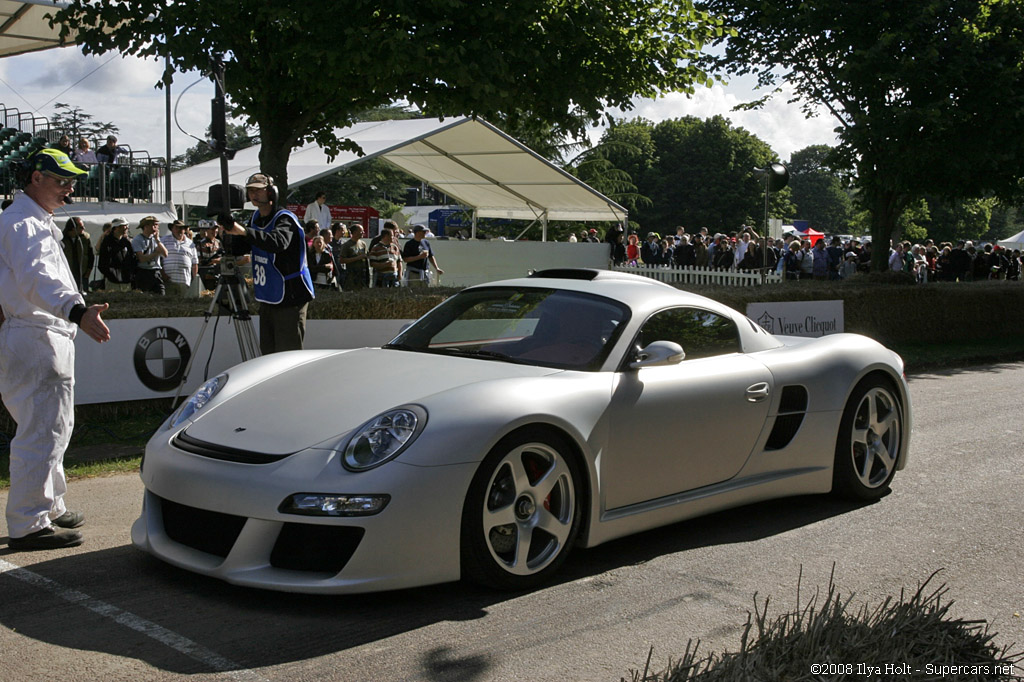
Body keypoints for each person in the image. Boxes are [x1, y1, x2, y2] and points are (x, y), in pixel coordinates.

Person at [0, 148, 111, 551]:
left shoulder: (25, 220)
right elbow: (37, 280)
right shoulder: (24, 223)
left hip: (33, 333)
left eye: (71, 181)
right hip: (37, 334)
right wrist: (77, 310)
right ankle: (29, 523)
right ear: (35, 179)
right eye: (61, 180)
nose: (70, 188)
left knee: (53, 428)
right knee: (43, 431)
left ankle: (49, 505)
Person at [219, 173, 314, 354]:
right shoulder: (256, 218)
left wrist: (244, 232)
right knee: (268, 353)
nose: (254, 195)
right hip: (269, 294)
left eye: (258, 190)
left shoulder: (285, 219)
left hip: (290, 295)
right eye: (251, 191)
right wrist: (227, 233)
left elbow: (277, 243)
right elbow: (242, 247)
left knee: (287, 354)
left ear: (271, 193)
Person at [161, 219, 199, 297]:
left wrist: (194, 280)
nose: (179, 230)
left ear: (184, 230)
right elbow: (158, 259)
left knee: (183, 304)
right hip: (169, 280)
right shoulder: (164, 240)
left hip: (185, 281)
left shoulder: (191, 244)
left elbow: (194, 264)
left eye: (182, 228)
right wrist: (163, 274)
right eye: (177, 228)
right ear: (172, 229)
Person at [132, 215, 167, 295]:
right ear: (146, 226)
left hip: (156, 271)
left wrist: (158, 240)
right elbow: (141, 258)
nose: (156, 227)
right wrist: (156, 253)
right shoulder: (138, 240)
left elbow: (165, 254)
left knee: (161, 294)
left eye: (157, 225)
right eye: (154, 225)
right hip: (144, 272)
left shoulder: (156, 239)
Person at [98, 217, 134, 291]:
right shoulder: (107, 242)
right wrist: (111, 275)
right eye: (124, 226)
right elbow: (102, 263)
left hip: (126, 280)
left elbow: (132, 258)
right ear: (117, 227)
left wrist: (130, 274)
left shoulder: (126, 242)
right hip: (112, 282)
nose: (127, 228)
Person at [61, 216, 94, 293]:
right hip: (67, 275)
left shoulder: (85, 238)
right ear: (73, 228)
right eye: (81, 227)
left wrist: (88, 271)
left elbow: (90, 256)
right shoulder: (61, 239)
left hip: (82, 274)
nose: (84, 229)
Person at [338, 224, 370, 290]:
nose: (363, 233)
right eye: (361, 231)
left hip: (362, 275)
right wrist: (357, 258)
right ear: (355, 232)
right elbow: (341, 260)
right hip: (351, 276)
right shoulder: (346, 245)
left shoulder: (363, 244)